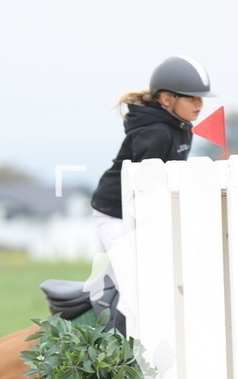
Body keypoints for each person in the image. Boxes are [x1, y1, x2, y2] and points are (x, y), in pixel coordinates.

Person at [88, 55, 215, 332]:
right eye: (191, 97)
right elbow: (147, 192)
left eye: (201, 98)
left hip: (140, 208)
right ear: (166, 99)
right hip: (116, 213)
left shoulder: (181, 128)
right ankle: (117, 356)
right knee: (137, 291)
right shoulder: (156, 133)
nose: (199, 104)